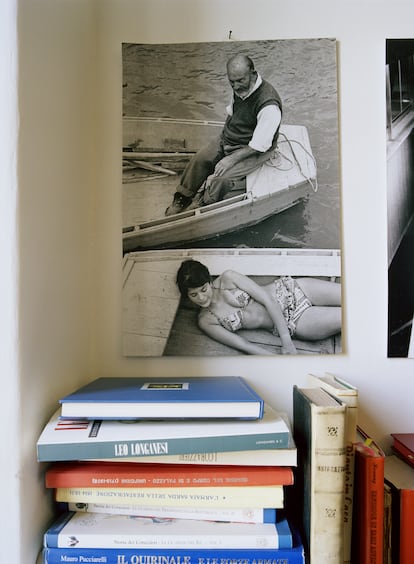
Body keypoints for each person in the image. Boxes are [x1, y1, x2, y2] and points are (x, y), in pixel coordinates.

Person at [165, 53, 283, 215]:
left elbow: (259, 145)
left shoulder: (268, 105)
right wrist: (225, 137)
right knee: (200, 159)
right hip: (231, 138)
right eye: (231, 81)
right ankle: (183, 196)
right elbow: (233, 113)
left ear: (253, 74)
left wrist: (229, 159)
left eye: (240, 80)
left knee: (223, 178)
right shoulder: (240, 86)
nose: (235, 87)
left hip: (254, 149)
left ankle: (204, 201)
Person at [176, 259, 342, 355]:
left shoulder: (229, 278)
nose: (201, 297)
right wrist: (275, 359)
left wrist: (287, 342)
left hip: (294, 288)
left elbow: (267, 300)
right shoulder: (207, 320)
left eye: (203, 289)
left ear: (210, 282)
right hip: (295, 321)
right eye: (194, 294)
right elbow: (243, 344)